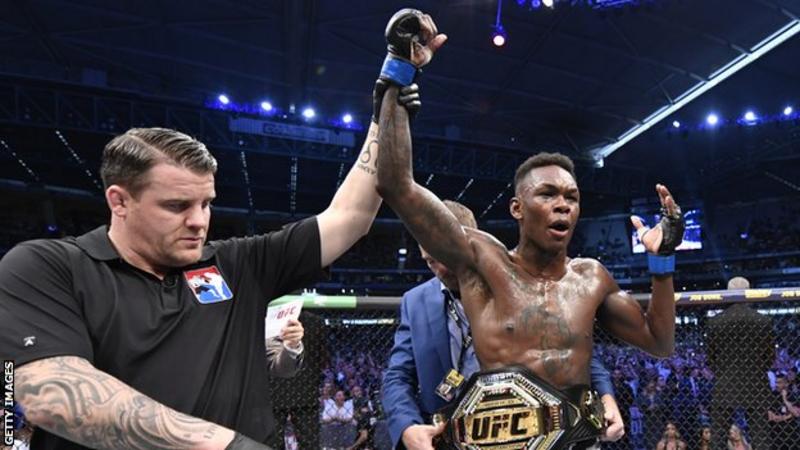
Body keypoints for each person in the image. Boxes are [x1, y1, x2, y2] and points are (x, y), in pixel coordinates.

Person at [373, 9, 682, 449]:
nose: (562, 205)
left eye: (571, 197)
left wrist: (662, 263)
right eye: (548, 194)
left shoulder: (592, 277)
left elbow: (660, 342)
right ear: (517, 208)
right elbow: (395, 185)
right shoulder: (481, 261)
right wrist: (399, 70)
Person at [382, 200, 624, 450]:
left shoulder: (523, 283)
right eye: (430, 261)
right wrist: (407, 427)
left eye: (446, 257)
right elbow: (397, 375)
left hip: (531, 435)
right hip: (453, 439)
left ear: (473, 241)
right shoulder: (416, 301)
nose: (441, 269)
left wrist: (606, 397)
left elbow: (574, 351)